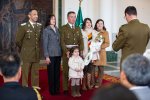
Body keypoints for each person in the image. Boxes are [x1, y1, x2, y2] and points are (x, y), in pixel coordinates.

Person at [16, 9, 42, 87]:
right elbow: (18, 40)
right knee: (26, 73)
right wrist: (24, 48)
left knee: (35, 73)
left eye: (37, 14)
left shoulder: (39, 26)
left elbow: (39, 40)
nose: (36, 16)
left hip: (36, 53)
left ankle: (35, 89)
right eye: (34, 14)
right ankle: (25, 89)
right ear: (29, 16)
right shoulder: (23, 26)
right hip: (27, 54)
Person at [60, 11, 84, 95]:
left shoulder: (78, 28)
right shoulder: (63, 28)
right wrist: (66, 51)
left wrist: (81, 50)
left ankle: (77, 88)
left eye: (74, 17)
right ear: (67, 18)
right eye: (71, 17)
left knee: (78, 70)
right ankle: (66, 88)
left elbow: (81, 40)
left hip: (76, 52)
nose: (73, 18)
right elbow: (62, 41)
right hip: (67, 52)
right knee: (66, 71)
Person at [43, 15, 61, 95]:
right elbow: (45, 44)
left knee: (57, 73)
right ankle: (52, 91)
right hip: (50, 55)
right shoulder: (46, 30)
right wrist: (46, 56)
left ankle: (57, 90)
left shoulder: (57, 29)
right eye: (52, 19)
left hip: (58, 54)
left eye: (54, 19)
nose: (54, 20)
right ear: (48, 20)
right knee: (51, 73)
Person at [81, 18, 99, 90]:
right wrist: (81, 52)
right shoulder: (81, 31)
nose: (89, 24)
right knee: (84, 69)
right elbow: (80, 43)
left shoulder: (95, 32)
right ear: (84, 23)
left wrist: (95, 50)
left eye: (90, 22)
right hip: (84, 53)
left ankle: (88, 84)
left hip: (92, 54)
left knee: (90, 69)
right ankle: (83, 85)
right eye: (87, 22)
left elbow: (98, 44)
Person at [93, 19, 110, 88]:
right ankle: (92, 82)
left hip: (101, 53)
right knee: (92, 69)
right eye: (98, 23)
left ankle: (98, 83)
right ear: (96, 24)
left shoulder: (105, 33)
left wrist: (100, 47)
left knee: (101, 69)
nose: (99, 25)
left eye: (101, 23)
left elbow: (107, 43)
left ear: (103, 25)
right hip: (93, 53)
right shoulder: (93, 32)